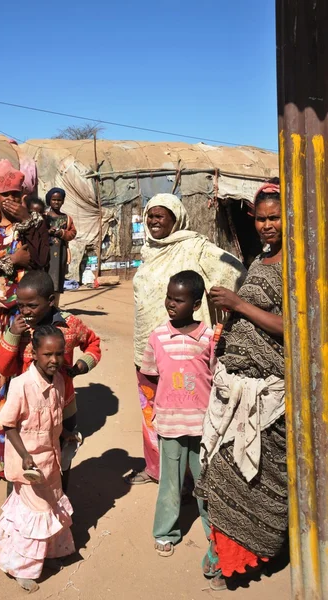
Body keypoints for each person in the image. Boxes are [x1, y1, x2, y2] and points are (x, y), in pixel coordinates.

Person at [195, 180, 285, 591]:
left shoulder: (300, 264)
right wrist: (229, 322)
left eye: (275, 218)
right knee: (221, 472)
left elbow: (295, 327)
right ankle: (227, 557)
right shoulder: (260, 259)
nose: (268, 226)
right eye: (262, 219)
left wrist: (239, 305)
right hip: (238, 386)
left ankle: (246, 556)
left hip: (269, 397)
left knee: (255, 480)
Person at [130, 193, 246, 485]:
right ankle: (159, 470)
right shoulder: (149, 250)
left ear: (176, 218)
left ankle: (195, 479)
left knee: (191, 414)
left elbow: (234, 273)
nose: (154, 221)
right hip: (150, 346)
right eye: (150, 215)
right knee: (153, 412)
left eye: (161, 215)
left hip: (186, 351)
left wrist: (228, 308)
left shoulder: (196, 248)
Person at [0, 159, 50, 485]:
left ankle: (25, 455)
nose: (12, 200)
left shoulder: (32, 224)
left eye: (17, 194)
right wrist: (8, 261)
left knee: (24, 381)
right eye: (6, 195)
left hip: (23, 313)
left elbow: (42, 262)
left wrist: (29, 222)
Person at [0, 269, 101, 492]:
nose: (25, 311)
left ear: (51, 300)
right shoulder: (19, 327)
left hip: (64, 406)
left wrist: (82, 365)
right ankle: (19, 512)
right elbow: (4, 368)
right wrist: (13, 334)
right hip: (28, 410)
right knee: (26, 460)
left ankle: (59, 505)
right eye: (21, 305)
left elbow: (93, 344)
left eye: (32, 305)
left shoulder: (70, 325)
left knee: (62, 457)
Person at [141, 270, 215, 565]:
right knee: (170, 482)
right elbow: (151, 375)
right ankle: (165, 532)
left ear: (196, 304)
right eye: (169, 298)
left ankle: (216, 532)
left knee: (207, 482)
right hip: (170, 424)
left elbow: (216, 374)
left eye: (179, 300)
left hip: (204, 425)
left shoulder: (209, 337)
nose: (171, 304)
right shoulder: (158, 336)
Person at [0, 325, 75, 593]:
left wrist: (66, 434)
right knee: (36, 513)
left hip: (50, 461)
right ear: (34, 354)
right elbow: (8, 424)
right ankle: (22, 568)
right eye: (48, 354)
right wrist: (26, 456)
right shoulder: (21, 385)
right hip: (29, 465)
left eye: (59, 354)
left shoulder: (60, 382)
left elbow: (54, 417)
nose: (54, 360)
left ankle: (46, 556)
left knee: (50, 506)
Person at [45, 188, 77, 307]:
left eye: (59, 200)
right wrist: (47, 231)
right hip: (46, 253)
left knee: (57, 281)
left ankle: (55, 307)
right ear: (49, 201)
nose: (56, 202)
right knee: (45, 280)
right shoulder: (44, 217)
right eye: (54, 200)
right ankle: (44, 308)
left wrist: (62, 233)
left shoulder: (67, 218)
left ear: (63, 201)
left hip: (60, 254)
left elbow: (72, 233)